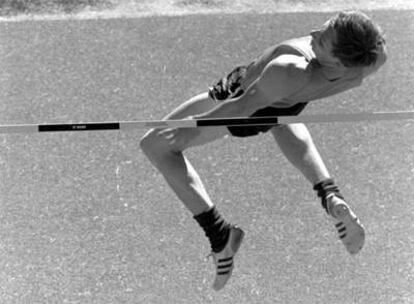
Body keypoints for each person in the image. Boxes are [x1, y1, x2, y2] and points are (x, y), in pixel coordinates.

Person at [140, 10, 387, 290]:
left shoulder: (288, 70)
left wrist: (190, 128)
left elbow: (241, 107)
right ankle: (329, 193)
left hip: (248, 102)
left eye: (322, 40)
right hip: (287, 100)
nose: (313, 34)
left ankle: (219, 233)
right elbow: (357, 49)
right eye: (323, 28)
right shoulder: (370, 60)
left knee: (155, 146)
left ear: (340, 61)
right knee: (282, 120)